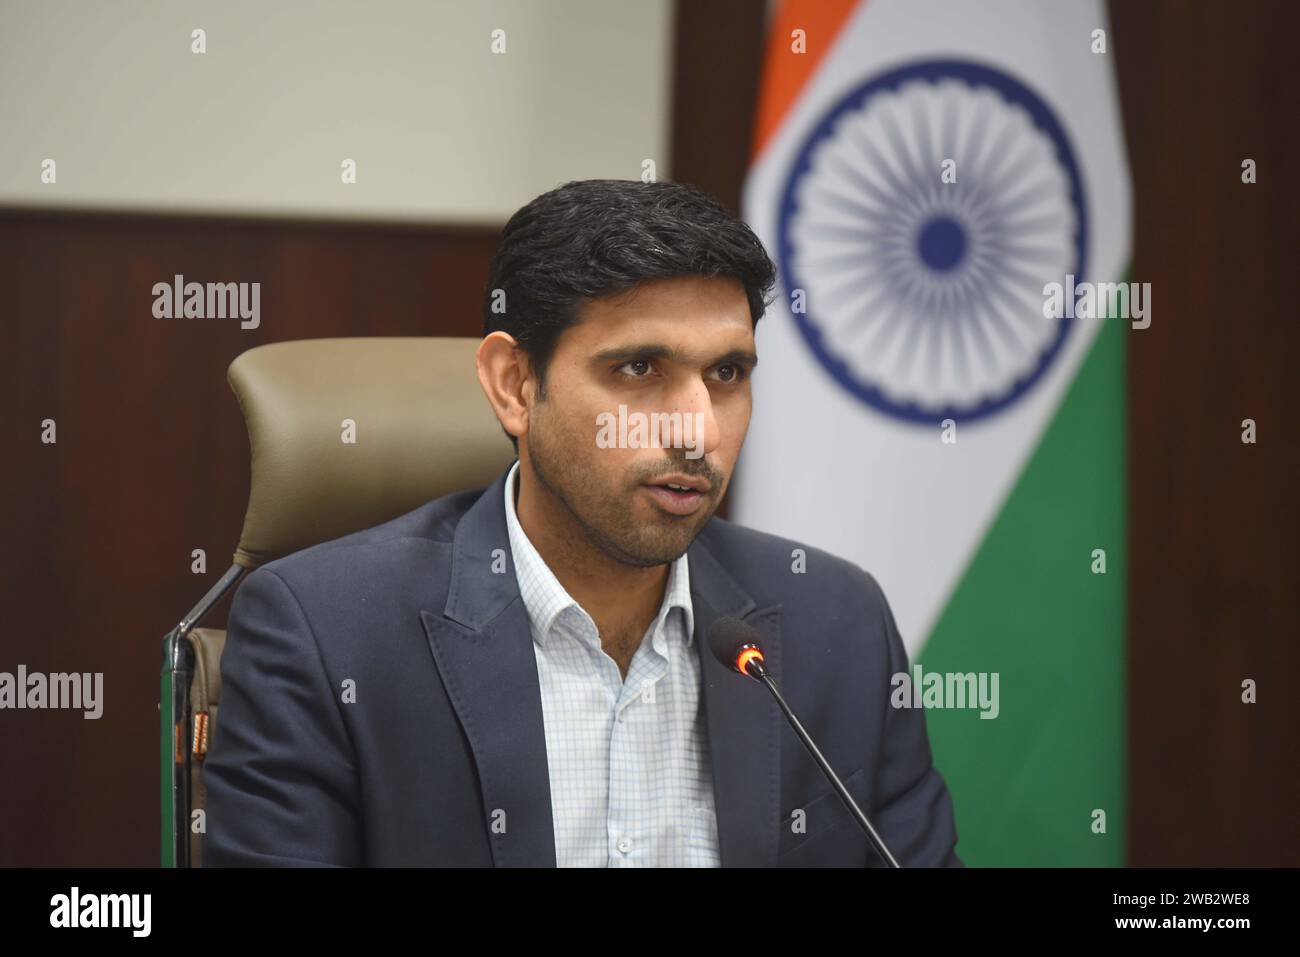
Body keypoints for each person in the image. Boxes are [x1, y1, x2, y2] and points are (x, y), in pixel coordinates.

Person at [202, 178, 962, 867]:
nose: (697, 431)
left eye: (726, 373)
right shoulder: (325, 634)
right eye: (639, 369)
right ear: (514, 384)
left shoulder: (839, 625)